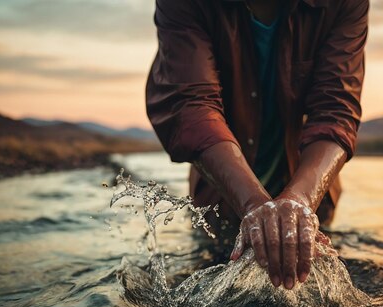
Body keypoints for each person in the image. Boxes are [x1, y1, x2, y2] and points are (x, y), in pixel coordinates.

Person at [146, 0, 368, 290]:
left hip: (311, 200)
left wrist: (300, 201)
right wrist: (252, 203)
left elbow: (335, 110)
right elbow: (191, 107)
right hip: (219, 199)